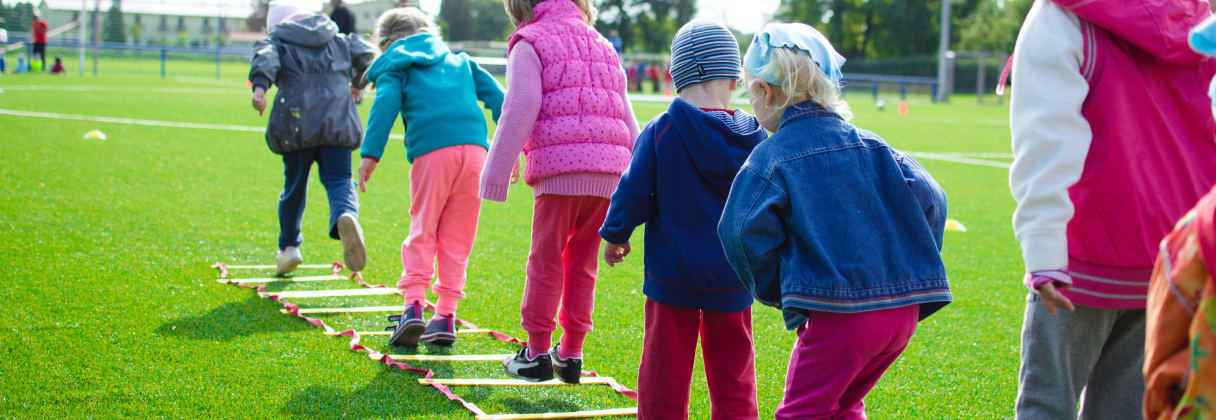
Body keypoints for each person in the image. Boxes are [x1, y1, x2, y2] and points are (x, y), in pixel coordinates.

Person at [718, 23, 951, 420]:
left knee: (803, 412)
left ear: (766, 92)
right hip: (902, 315)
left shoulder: (771, 157)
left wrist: (776, 289)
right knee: (843, 405)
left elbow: (738, 231)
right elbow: (933, 198)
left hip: (842, 318)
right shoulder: (875, 144)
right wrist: (908, 263)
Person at [1006, 0, 1216, 418]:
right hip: (1176, 260)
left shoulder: (1060, 16)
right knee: (1126, 411)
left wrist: (1044, 252)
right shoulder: (1200, 20)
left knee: (1047, 406)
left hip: (1079, 260)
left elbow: (1046, 139)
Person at [600, 21, 766, 420]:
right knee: (735, 375)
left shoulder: (662, 130)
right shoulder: (758, 138)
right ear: (734, 77)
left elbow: (634, 189)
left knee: (663, 374)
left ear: (675, 76)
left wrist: (616, 233)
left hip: (672, 276)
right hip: (734, 277)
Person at [484, 0, 639, 384]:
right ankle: (570, 354)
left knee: (546, 260)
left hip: (559, 172)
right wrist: (637, 185)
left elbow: (521, 103)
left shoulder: (530, 41)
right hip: (609, 176)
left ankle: (536, 352)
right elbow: (626, 113)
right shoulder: (603, 43)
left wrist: (496, 171)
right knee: (582, 264)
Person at [359, 7, 506, 347]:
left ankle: (413, 307)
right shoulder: (462, 61)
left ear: (385, 43)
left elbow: (385, 105)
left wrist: (370, 154)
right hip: (476, 154)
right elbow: (502, 99)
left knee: (423, 229)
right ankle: (445, 316)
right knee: (458, 238)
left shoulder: (396, 66)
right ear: (430, 32)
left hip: (433, 153)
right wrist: (509, 148)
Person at [248, 0, 375, 277]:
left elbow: (266, 57)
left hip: (296, 121)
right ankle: (347, 214)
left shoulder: (278, 39)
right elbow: (367, 55)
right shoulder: (336, 36)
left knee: (294, 184)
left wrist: (260, 87)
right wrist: (356, 84)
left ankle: (289, 248)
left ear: (276, 23)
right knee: (340, 178)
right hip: (339, 117)